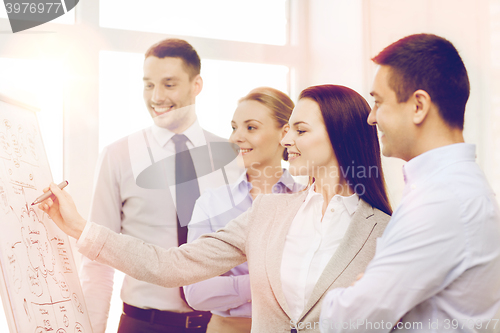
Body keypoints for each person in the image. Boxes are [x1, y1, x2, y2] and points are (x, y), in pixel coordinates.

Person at [39, 84, 393, 332]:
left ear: (340, 134)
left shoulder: (384, 230)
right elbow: (171, 265)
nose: (286, 140)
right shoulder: (270, 211)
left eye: (299, 131)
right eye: (287, 131)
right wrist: (80, 228)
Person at [319, 34, 500, 332]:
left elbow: (348, 322)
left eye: (378, 102)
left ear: (418, 106)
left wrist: (351, 296)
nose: (371, 118)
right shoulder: (444, 189)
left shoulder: (443, 201)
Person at [81, 38, 235, 333]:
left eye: (169, 84)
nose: (156, 97)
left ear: (196, 85)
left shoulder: (231, 157)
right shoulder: (118, 155)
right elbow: (97, 258)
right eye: (148, 85)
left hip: (220, 325)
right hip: (144, 324)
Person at [184, 87, 303, 333]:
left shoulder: (308, 200)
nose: (236, 137)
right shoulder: (211, 203)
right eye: (234, 127)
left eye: (250, 127)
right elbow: (195, 291)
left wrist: (231, 288)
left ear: (284, 133)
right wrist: (264, 284)